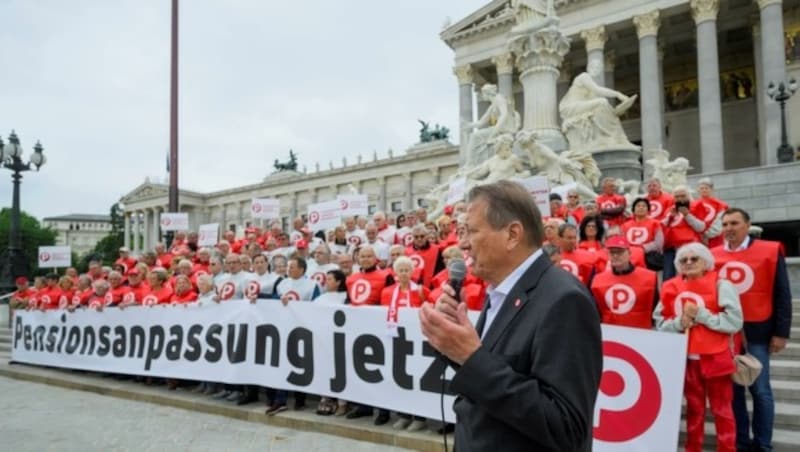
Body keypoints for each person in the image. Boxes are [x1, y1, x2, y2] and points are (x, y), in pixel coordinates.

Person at [419, 180, 602, 451]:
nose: (463, 244)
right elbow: (493, 372)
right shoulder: (502, 291)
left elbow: (566, 426)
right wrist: (453, 345)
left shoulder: (565, 300)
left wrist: (472, 357)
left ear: (512, 234)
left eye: (471, 231)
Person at [712, 208, 792, 452]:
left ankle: (763, 444)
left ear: (747, 225)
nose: (729, 228)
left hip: (758, 332)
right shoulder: (712, 256)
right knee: (733, 394)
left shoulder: (769, 250)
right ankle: (741, 442)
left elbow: (782, 293)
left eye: (734, 223)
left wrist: (781, 332)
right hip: (725, 336)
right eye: (725, 224)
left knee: (761, 391)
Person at [654, 243, 743, 452]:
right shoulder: (669, 286)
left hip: (716, 358)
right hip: (685, 359)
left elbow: (734, 322)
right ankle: (692, 448)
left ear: (706, 262)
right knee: (694, 410)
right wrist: (679, 323)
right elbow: (659, 323)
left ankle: (727, 448)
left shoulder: (722, 285)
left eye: (694, 259)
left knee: (722, 410)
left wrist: (702, 315)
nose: (688, 263)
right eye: (683, 260)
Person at [380, 256, 428, 432]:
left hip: (416, 343)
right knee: (401, 379)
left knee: (416, 379)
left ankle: (420, 417)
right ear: (395, 273)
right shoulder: (387, 292)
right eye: (400, 270)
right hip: (396, 341)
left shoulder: (422, 291)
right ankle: (404, 415)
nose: (404, 273)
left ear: (412, 272)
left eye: (407, 269)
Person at [590, 236, 658, 329]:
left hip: (641, 332)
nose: (615, 256)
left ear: (629, 253)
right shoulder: (598, 280)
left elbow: (655, 307)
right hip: (611, 332)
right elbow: (597, 312)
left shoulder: (649, 277)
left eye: (620, 252)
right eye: (612, 252)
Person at [662, 186, 712, 281]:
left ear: (688, 196)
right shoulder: (670, 210)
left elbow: (701, 227)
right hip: (670, 248)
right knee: (669, 277)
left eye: (683, 196)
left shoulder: (697, 205)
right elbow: (662, 227)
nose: (680, 199)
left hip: (690, 246)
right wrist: (670, 217)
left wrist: (687, 215)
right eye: (677, 197)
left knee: (689, 274)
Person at [406, 224, 445, 288]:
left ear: (426, 236)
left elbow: (441, 270)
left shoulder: (437, 250)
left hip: (433, 286)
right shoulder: (407, 252)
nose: (419, 239)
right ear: (412, 237)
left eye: (422, 236)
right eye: (416, 237)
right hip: (413, 287)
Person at [697, 178, 728, 248]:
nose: (704, 190)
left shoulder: (720, 204)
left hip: (716, 236)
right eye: (702, 188)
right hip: (699, 237)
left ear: (711, 189)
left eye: (706, 188)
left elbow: (721, 221)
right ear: (698, 190)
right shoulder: (694, 204)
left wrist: (708, 234)